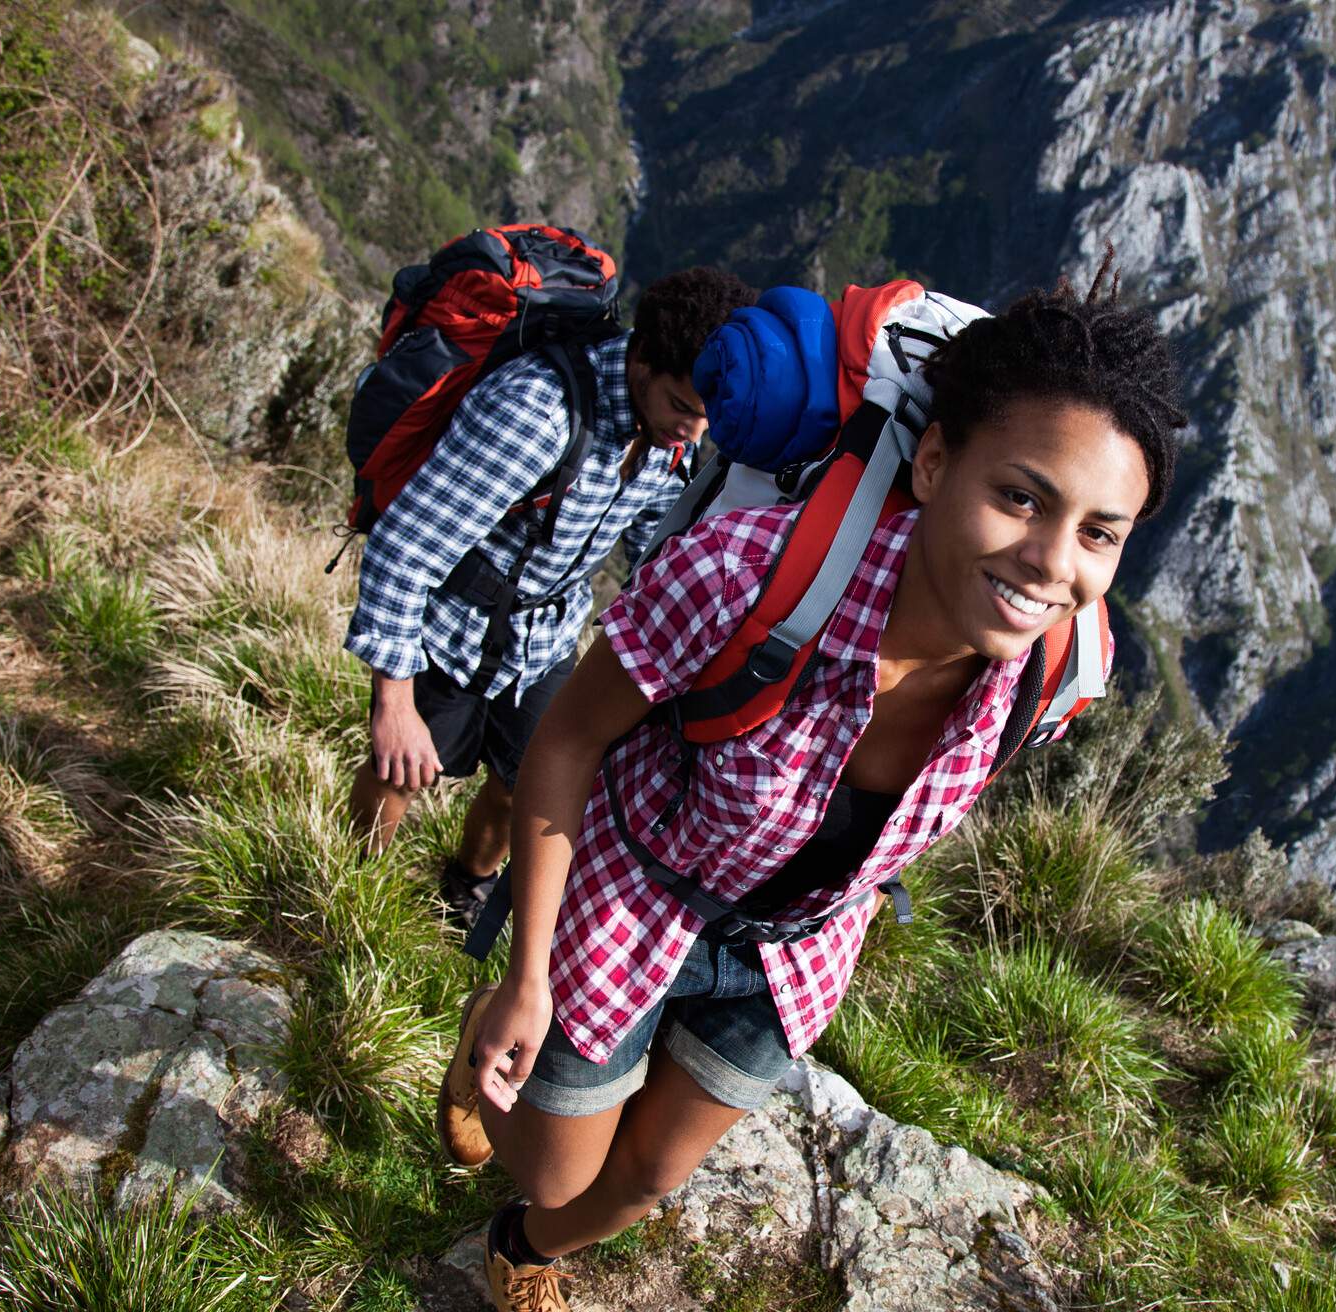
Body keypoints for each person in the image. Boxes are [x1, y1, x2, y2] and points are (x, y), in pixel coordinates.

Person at [438, 257, 1187, 1311]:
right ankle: (492, 1045)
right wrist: (525, 978)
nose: (1050, 565)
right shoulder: (752, 572)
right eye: (1020, 496)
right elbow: (565, 742)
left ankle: (524, 1249)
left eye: (1098, 533)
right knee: (557, 1162)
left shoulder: (1050, 676)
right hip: (637, 890)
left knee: (649, 1176)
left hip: (795, 946)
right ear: (932, 464)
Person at [343, 267, 757, 923]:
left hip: (547, 635)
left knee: (527, 783)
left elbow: (655, 552)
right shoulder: (536, 411)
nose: (694, 433)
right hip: (449, 626)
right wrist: (393, 702)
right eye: (683, 408)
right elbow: (407, 543)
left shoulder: (666, 434)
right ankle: (351, 885)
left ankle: (464, 889)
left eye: (707, 417)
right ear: (641, 358)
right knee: (402, 768)